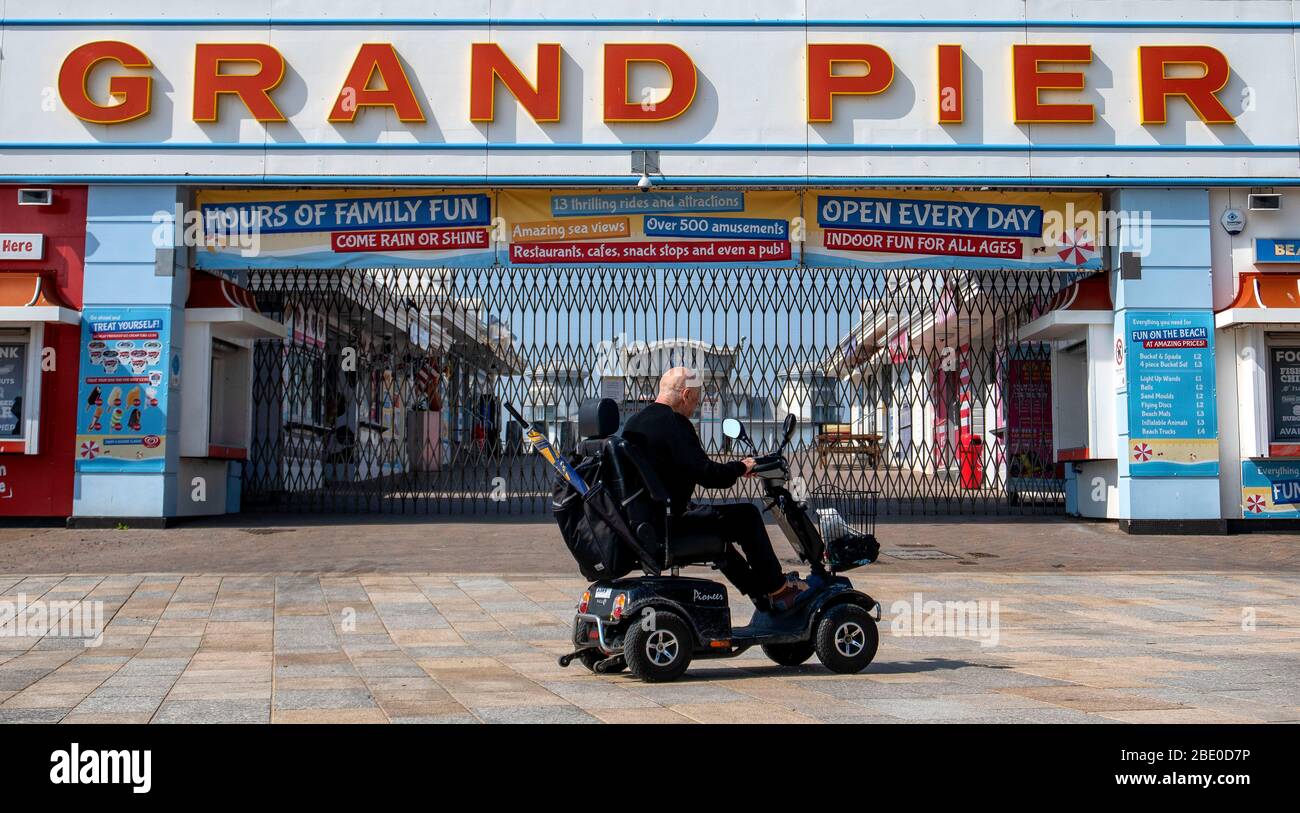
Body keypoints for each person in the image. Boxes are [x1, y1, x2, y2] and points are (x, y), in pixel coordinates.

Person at [622, 367, 810, 610]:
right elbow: (709, 476)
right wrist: (742, 467)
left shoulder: (634, 422)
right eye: (696, 401)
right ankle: (778, 589)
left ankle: (760, 596)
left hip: (647, 523)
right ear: (686, 394)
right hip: (668, 525)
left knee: (719, 530)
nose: (695, 409)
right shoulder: (675, 424)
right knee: (747, 517)